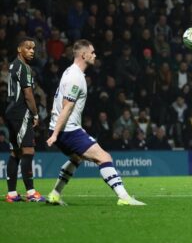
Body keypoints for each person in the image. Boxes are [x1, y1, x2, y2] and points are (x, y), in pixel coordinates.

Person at [45, 39, 145, 206]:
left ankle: (55, 194)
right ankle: (124, 198)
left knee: (76, 158)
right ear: (83, 55)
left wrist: (54, 129)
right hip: (67, 130)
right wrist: (55, 134)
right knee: (104, 157)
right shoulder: (75, 77)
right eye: (92, 52)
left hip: (62, 128)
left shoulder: (69, 72)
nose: (95, 55)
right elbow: (67, 107)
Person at [4, 37, 45, 202]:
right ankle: (31, 193)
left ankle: (12, 194)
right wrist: (35, 114)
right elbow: (28, 94)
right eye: (28, 48)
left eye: (33, 48)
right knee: (28, 151)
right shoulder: (24, 68)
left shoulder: (13, 65)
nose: (32, 51)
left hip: (10, 112)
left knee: (15, 152)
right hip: (20, 112)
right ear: (19, 49)